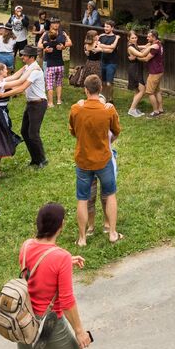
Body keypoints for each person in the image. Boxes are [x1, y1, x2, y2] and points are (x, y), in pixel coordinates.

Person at [17, 204, 93, 349]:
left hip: (25, 320)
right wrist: (79, 331)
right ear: (61, 225)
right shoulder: (60, 257)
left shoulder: (26, 246)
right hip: (49, 325)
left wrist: (64, 262)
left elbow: (37, 268)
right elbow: (67, 301)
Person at [69, 75, 122, 246]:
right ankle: (112, 233)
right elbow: (116, 131)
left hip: (83, 160)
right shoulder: (108, 110)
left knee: (82, 198)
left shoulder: (76, 109)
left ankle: (82, 238)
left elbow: (73, 131)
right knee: (110, 194)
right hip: (103, 160)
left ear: (85, 89)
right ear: (100, 90)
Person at [0, 46, 48, 167]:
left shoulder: (35, 70)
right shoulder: (27, 67)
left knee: (33, 133)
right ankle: (35, 159)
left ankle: (42, 160)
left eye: (25, 55)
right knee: (24, 132)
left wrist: (2, 93)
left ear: (31, 57)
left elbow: (21, 87)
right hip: (31, 103)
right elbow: (15, 77)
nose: (22, 57)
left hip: (38, 104)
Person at [41, 19, 72, 108]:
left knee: (50, 84)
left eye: (57, 23)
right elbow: (67, 44)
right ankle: (59, 100)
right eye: (54, 23)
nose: (56, 25)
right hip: (60, 64)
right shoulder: (60, 41)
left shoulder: (47, 38)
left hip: (50, 65)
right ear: (51, 25)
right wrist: (63, 47)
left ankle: (50, 103)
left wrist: (45, 48)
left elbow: (41, 44)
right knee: (59, 83)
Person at [125, 29, 151, 118]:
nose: (134, 39)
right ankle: (131, 110)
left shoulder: (134, 45)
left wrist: (145, 46)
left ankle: (134, 108)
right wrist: (150, 48)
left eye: (136, 37)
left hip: (137, 69)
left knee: (137, 90)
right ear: (128, 38)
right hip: (134, 70)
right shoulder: (130, 47)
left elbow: (139, 47)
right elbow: (141, 55)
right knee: (142, 90)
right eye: (132, 38)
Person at [142, 29, 166, 119]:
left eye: (149, 36)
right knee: (157, 91)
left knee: (150, 92)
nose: (147, 37)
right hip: (159, 71)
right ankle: (160, 109)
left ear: (153, 37)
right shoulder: (158, 44)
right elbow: (145, 47)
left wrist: (136, 57)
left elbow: (146, 59)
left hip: (154, 72)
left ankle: (155, 111)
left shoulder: (155, 48)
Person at [96, 20, 119, 93]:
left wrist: (101, 47)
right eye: (105, 26)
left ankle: (110, 99)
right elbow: (97, 44)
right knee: (103, 82)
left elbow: (111, 51)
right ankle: (104, 97)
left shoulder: (115, 38)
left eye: (107, 27)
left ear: (112, 28)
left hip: (111, 63)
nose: (105, 28)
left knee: (109, 83)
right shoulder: (101, 36)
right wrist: (109, 47)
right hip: (102, 62)